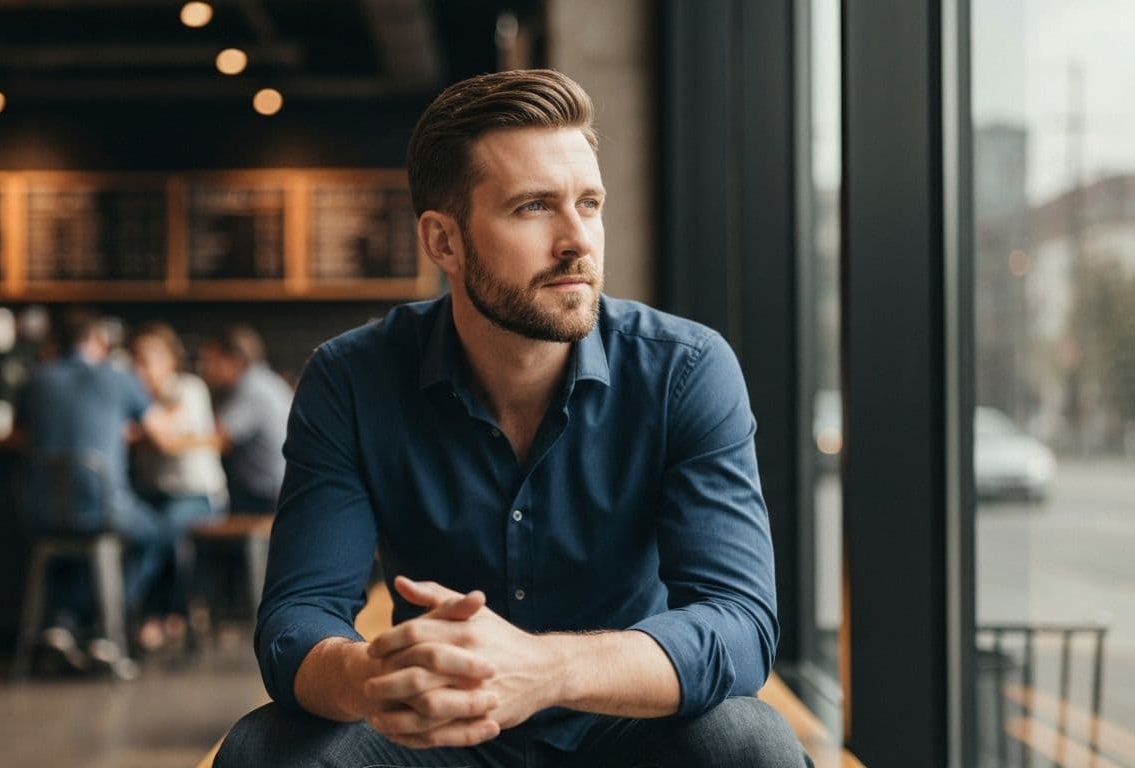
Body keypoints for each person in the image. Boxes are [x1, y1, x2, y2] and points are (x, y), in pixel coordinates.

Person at [215, 70, 810, 766]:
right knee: (266, 750)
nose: (577, 240)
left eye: (589, 203)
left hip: (621, 723)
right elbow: (297, 618)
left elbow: (739, 625)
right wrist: (374, 679)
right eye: (533, 207)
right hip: (440, 731)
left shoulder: (685, 369)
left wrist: (546, 668)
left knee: (749, 743)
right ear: (443, 242)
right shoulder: (352, 379)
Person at [22, 310, 182, 676]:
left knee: (77, 550)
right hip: (105, 508)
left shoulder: (37, 379)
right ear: (100, 342)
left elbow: (19, 432)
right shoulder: (119, 377)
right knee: (161, 532)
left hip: (42, 510)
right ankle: (102, 629)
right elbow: (163, 435)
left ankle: (62, 625)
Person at [129, 321, 229, 650]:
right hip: (155, 495)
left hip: (198, 495)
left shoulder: (187, 387)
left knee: (161, 532)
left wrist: (139, 429)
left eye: (149, 358)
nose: (140, 367)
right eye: (136, 358)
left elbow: (166, 437)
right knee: (141, 532)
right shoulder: (136, 394)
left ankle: (123, 612)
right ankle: (157, 616)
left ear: (170, 360)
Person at [197, 325, 293, 513]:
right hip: (277, 487)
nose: (205, 369)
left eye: (210, 361)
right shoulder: (264, 379)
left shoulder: (252, 387)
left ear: (233, 360)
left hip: (268, 494)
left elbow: (219, 441)